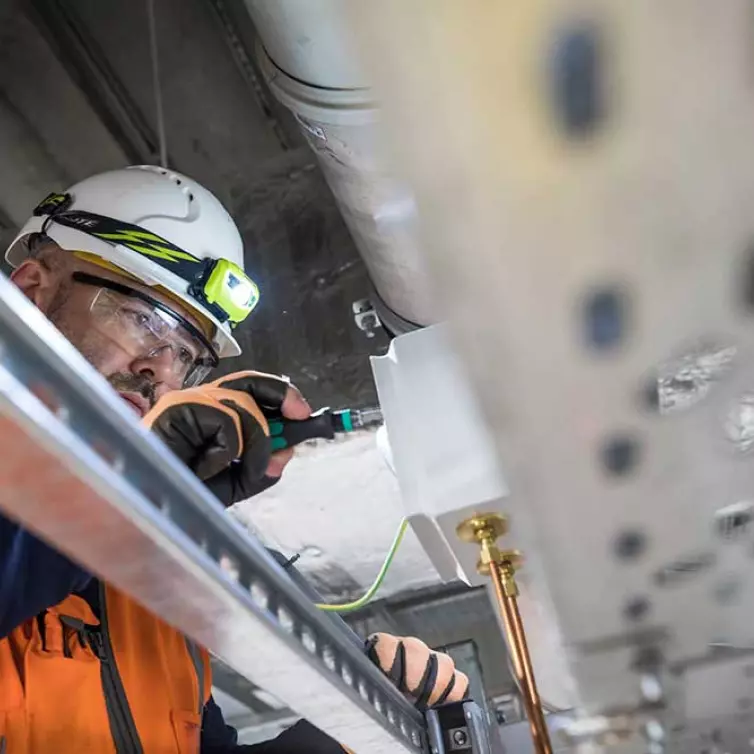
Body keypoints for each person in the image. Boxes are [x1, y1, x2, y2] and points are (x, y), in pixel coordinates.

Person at [0, 166, 468, 753]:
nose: (161, 371)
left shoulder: (152, 589)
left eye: (188, 357)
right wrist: (126, 491)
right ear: (30, 287)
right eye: (143, 318)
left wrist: (353, 732)